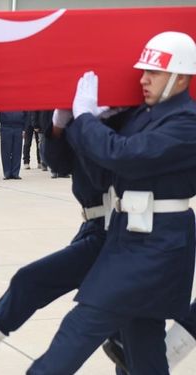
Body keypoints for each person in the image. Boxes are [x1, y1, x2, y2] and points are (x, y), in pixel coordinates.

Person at [28, 31, 196, 374]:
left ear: (181, 78)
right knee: (144, 346)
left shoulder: (187, 122)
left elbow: (123, 155)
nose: (143, 79)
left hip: (158, 245)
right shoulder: (141, 115)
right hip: (128, 238)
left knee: (81, 326)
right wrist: (71, 123)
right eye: (143, 71)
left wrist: (86, 119)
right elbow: (104, 174)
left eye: (154, 73)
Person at [0, 107, 111, 373]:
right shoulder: (88, 112)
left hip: (115, 230)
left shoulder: (124, 117)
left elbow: (106, 166)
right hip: (94, 226)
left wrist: (88, 122)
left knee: (126, 333)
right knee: (131, 336)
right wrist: (59, 126)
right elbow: (60, 165)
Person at [0, 111, 25, 180]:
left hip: (19, 127)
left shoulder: (21, 100)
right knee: (6, 151)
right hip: (6, 126)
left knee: (17, 151)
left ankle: (15, 173)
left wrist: (24, 128)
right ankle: (7, 172)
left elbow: (26, 113)